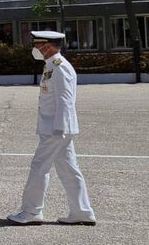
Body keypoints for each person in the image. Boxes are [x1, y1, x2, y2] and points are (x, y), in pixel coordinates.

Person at [8, 31, 97, 226]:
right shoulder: (51, 66)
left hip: (56, 129)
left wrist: (60, 127)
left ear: (47, 46)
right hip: (56, 128)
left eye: (37, 45)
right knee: (69, 170)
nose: (35, 49)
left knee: (39, 167)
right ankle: (82, 212)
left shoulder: (59, 67)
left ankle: (31, 211)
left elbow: (65, 99)